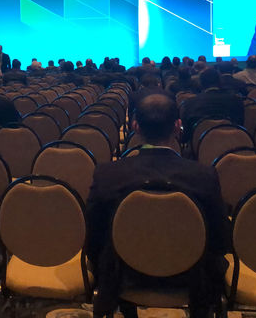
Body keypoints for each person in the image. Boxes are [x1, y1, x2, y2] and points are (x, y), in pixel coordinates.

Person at [86, 94, 227, 318]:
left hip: (123, 276)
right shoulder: (203, 176)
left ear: (135, 126)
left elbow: (91, 238)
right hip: (192, 279)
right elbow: (221, 242)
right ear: (177, 126)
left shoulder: (108, 174)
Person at [180, 68, 245, 140]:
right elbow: (241, 126)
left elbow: (186, 134)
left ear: (201, 83)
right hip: (233, 142)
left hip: (198, 147)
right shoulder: (236, 100)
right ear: (220, 81)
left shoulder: (189, 103)